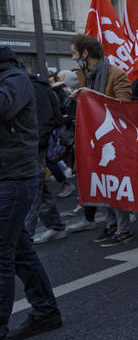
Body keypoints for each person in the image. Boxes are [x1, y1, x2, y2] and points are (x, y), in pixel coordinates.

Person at [0, 46, 62, 340]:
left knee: (3, 254)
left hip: (15, 178)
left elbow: (4, 107)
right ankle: (46, 310)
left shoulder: (14, 78)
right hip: (8, 175)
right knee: (19, 249)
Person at [66, 35, 134, 247]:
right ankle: (110, 224)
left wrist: (91, 96)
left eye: (75, 53)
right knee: (101, 183)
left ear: (85, 54)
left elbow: (125, 105)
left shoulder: (116, 74)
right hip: (93, 139)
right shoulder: (84, 76)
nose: (73, 57)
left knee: (114, 183)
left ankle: (123, 230)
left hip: (113, 140)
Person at [25, 70, 67, 245]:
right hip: (25, 147)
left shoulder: (33, 87)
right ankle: (55, 226)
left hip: (29, 147)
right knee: (38, 187)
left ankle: (24, 238)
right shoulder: (27, 84)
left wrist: (36, 145)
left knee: (31, 188)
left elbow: (45, 119)